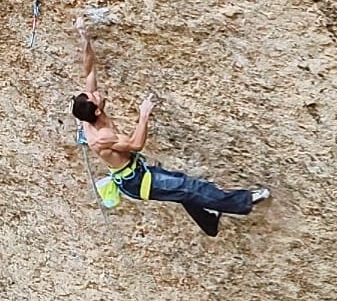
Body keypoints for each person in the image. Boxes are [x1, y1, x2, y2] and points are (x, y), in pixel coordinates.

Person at [71, 16, 270, 236]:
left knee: (182, 191)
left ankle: (209, 221)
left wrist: (84, 37)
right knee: (188, 187)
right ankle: (244, 201)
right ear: (97, 111)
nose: (97, 93)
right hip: (137, 181)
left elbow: (88, 70)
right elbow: (136, 144)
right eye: (95, 97)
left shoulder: (87, 114)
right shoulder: (102, 137)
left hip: (136, 173)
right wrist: (143, 114)